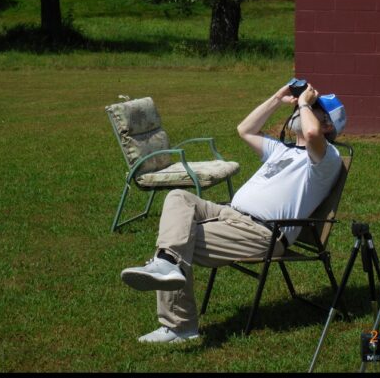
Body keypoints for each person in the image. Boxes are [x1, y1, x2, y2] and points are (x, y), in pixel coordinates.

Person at [119, 82, 347, 343]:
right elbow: (245, 129)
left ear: (328, 126)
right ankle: (167, 264)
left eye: (314, 108)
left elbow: (312, 133)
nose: (300, 107)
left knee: (179, 238)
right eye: (303, 104)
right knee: (178, 197)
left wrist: (305, 103)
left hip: (262, 233)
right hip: (230, 214)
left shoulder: (326, 158)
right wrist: (276, 98)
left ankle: (179, 325)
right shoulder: (283, 151)